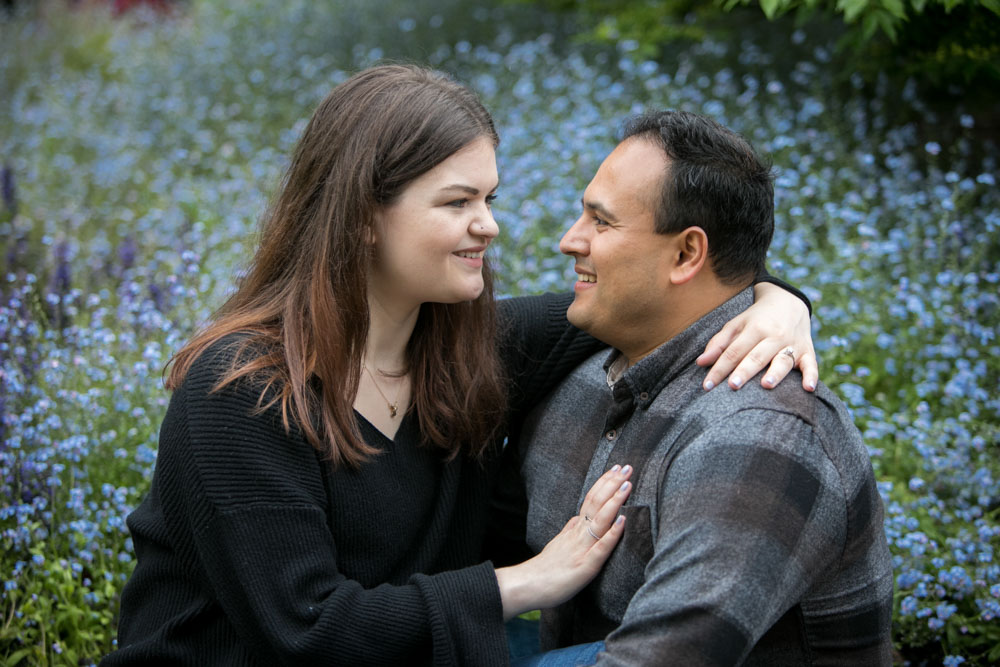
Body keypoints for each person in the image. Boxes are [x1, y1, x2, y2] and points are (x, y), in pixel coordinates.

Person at [101, 67, 816, 666]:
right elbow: (308, 633)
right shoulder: (244, 390)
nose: (490, 224)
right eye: (457, 202)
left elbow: (662, 294)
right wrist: (530, 581)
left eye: (489, 197)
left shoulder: (472, 347)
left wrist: (777, 299)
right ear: (363, 218)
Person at [501, 110, 894, 665]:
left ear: (686, 254)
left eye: (601, 221)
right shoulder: (584, 369)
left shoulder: (759, 432)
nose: (569, 240)